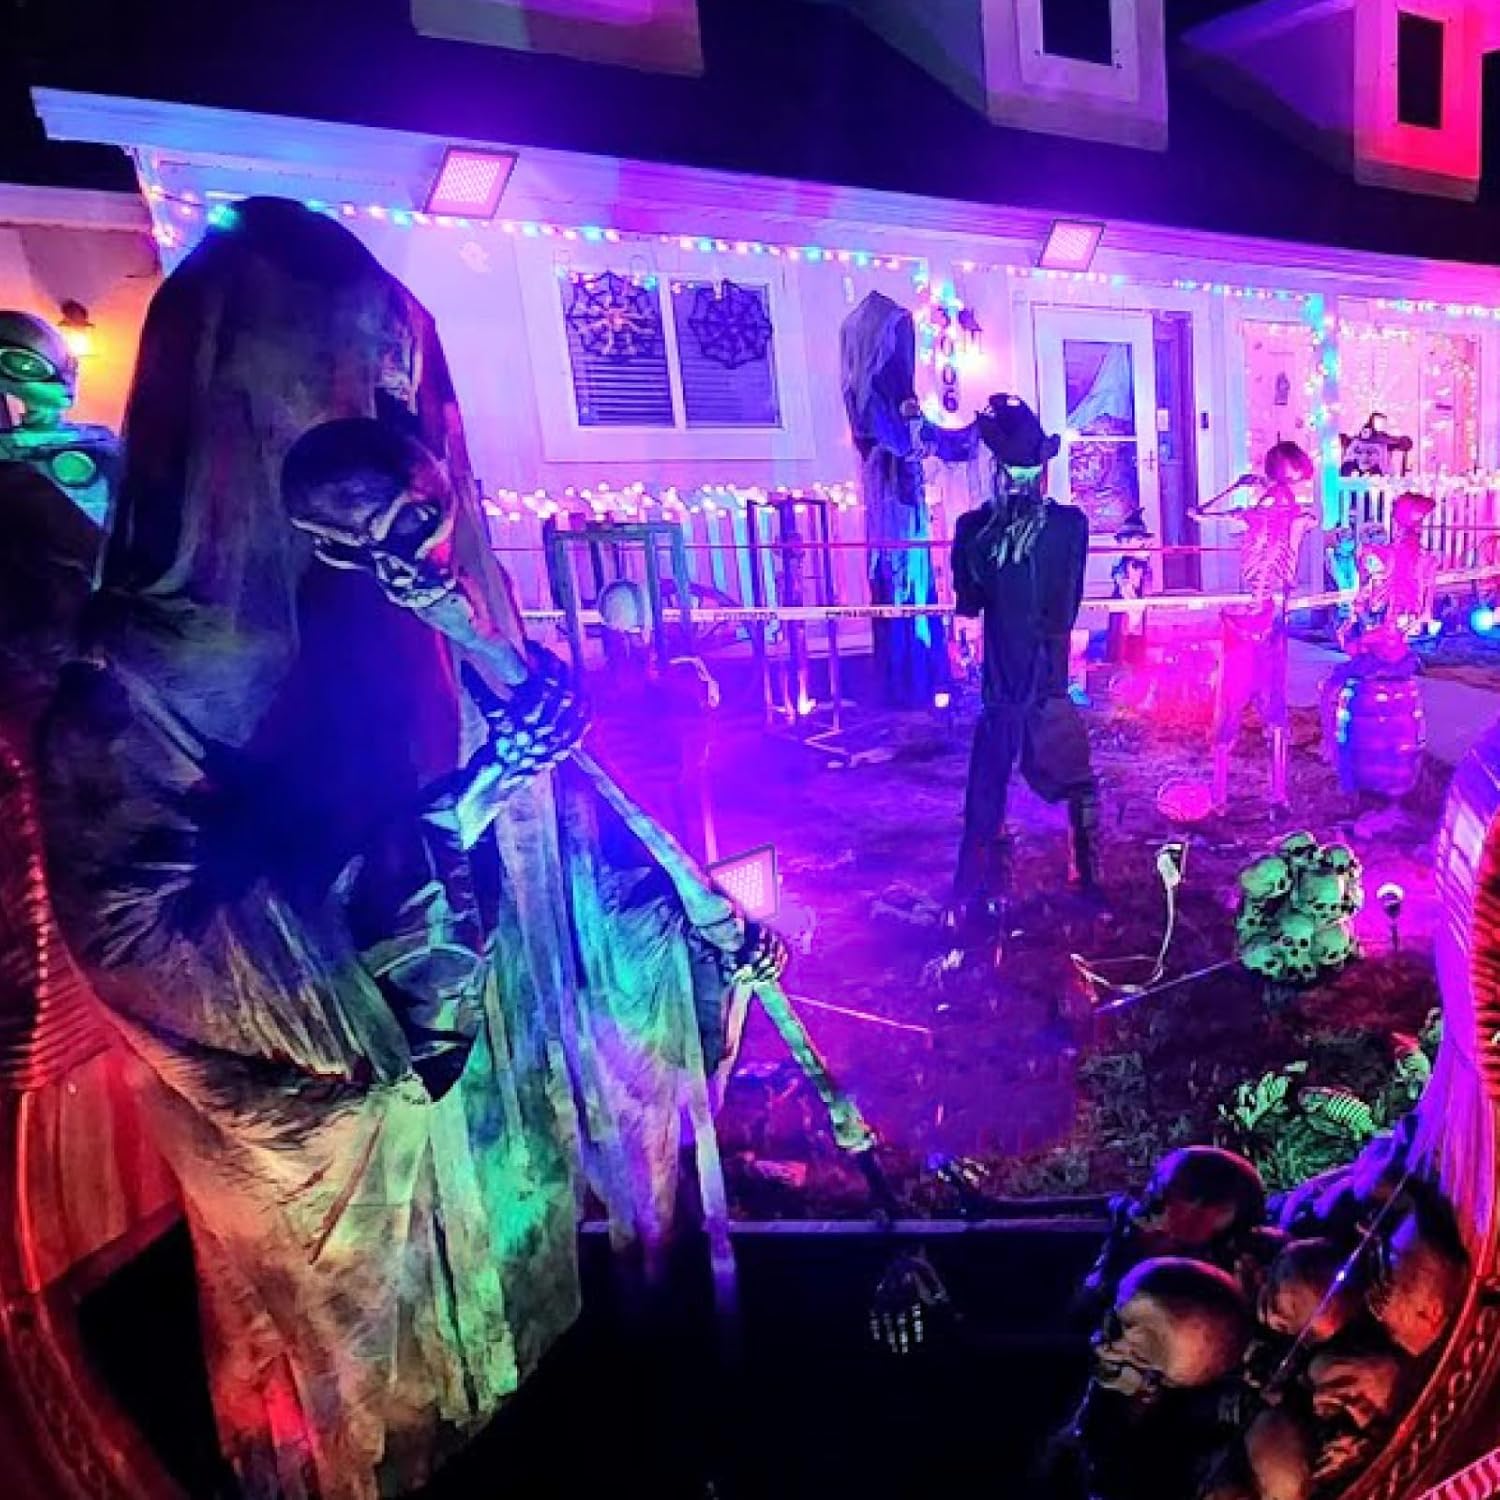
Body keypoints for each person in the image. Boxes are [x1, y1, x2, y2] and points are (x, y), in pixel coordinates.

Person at [949, 394, 1099, 939]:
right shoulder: (1070, 525)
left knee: (988, 784)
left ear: (995, 468)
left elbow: (970, 604)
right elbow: (1067, 606)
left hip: (1005, 677)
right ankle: (1088, 883)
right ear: (1042, 468)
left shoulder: (974, 529)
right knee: (1076, 781)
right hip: (1048, 674)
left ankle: (972, 887)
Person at [1191, 442, 1316, 811]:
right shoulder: (1283, 515)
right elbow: (1198, 514)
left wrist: (1240, 493)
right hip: (1260, 615)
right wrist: (1240, 490)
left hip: (1264, 614)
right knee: (1249, 700)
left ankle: (1259, 794)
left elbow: (1199, 514)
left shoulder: (1266, 514)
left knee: (1258, 701)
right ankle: (1256, 794)